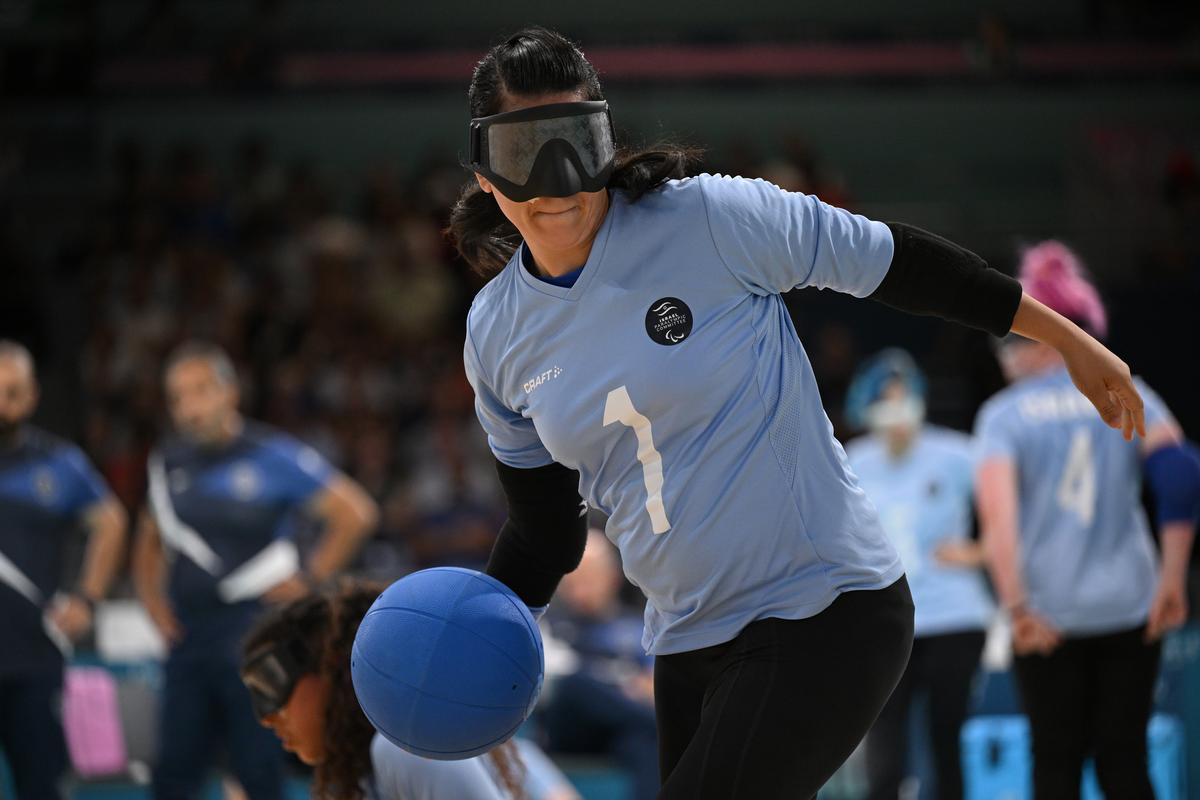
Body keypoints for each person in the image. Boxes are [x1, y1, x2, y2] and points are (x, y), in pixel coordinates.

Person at [450, 27, 1147, 800]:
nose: (555, 179)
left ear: (607, 142)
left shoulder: (710, 219)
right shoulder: (495, 333)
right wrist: (454, 637)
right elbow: (546, 535)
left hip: (824, 612)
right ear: (485, 174)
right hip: (686, 640)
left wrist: (1066, 337)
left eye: (573, 143)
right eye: (525, 153)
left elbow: (898, 261)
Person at [975, 241, 1199, 799]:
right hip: (1131, 602)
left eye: (1014, 340)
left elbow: (998, 521)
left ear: (1047, 338)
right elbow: (1180, 477)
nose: (1005, 353)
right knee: (1125, 763)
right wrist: (1172, 577)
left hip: (1050, 614)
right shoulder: (1128, 390)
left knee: (1055, 765)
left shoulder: (1003, 416)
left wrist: (1017, 608)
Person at [131, 341, 379, 800]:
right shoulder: (168, 462)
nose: (189, 407)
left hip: (256, 634)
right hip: (187, 638)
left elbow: (355, 513)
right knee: (173, 772)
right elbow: (149, 538)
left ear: (230, 393)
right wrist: (151, 601)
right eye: (178, 397)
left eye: (201, 391)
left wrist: (308, 580)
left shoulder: (272, 454)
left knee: (257, 769)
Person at [240, 579, 581, 800]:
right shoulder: (350, 779)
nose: (268, 718)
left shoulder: (400, 752)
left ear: (331, 672)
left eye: (273, 684)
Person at [844, 349, 993, 800]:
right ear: (866, 406)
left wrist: (981, 552)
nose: (897, 410)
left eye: (904, 396)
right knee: (884, 744)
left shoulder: (956, 452)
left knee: (946, 736)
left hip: (954, 616)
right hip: (885, 624)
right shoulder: (853, 458)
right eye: (885, 399)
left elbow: (1018, 504)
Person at [0, 340, 128, 799]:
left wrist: (87, 598)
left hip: (35, 658)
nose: (2, 403)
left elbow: (110, 521)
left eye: (12, 391)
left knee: (44, 786)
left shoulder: (58, 462)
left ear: (32, 395)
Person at [540, 529, 658, 800]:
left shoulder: (637, 627)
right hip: (568, 727)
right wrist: (625, 685)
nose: (581, 588)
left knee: (642, 741)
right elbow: (552, 679)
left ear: (613, 578)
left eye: (591, 577)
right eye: (575, 579)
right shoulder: (550, 624)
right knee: (577, 683)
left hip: (621, 725)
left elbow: (654, 685)